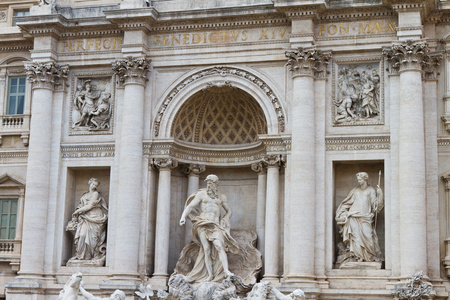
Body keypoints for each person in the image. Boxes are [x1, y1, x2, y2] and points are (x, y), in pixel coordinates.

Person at [179, 174, 239, 283]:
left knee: (219, 246)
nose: (209, 185)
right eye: (208, 182)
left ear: (216, 184)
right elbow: (190, 206)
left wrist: (226, 218)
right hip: (203, 223)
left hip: (215, 225)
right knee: (206, 249)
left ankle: (226, 271)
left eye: (211, 183)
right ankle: (210, 275)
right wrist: (183, 217)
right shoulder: (201, 194)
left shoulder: (221, 197)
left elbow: (229, 210)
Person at [335, 172, 383, 264]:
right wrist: (341, 213)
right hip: (353, 216)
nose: (358, 181)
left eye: (360, 179)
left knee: (368, 236)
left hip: (366, 217)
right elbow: (347, 203)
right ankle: (357, 257)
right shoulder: (354, 191)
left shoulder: (371, 190)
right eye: (358, 180)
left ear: (365, 179)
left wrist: (380, 195)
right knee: (356, 237)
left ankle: (369, 257)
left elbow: (376, 206)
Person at [67, 178, 108, 263]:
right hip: (85, 217)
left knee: (93, 239)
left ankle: (90, 256)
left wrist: (77, 211)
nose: (94, 186)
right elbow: (81, 205)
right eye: (93, 184)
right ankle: (80, 255)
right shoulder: (84, 195)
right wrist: (78, 211)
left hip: (95, 217)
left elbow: (90, 206)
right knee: (82, 235)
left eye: (96, 185)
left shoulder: (96, 194)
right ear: (90, 183)